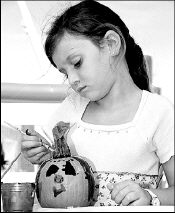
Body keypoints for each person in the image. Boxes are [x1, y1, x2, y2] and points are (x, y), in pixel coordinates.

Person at [21, 0, 174, 206]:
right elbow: (54, 166)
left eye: (77, 63)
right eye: (65, 72)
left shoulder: (157, 112)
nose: (72, 79)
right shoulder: (71, 107)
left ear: (111, 44)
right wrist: (42, 154)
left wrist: (150, 196)